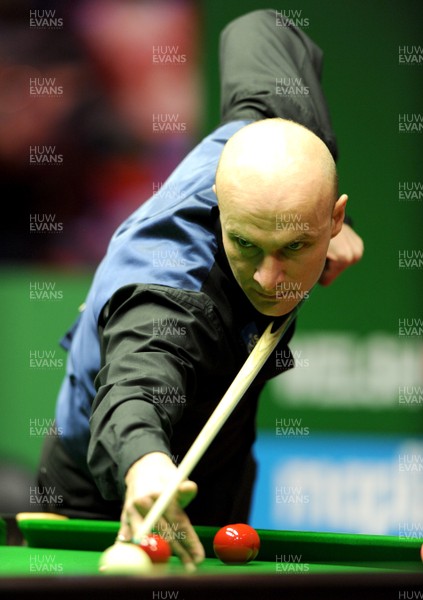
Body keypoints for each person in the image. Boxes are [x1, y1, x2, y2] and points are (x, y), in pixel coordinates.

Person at [37, 9, 364, 569]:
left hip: (220, 460)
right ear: (219, 206)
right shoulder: (169, 293)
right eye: (246, 244)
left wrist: (314, 231)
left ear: (333, 217)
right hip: (100, 488)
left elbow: (259, 28)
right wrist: (144, 463)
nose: (267, 279)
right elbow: (133, 390)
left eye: (291, 248)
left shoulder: (281, 122)